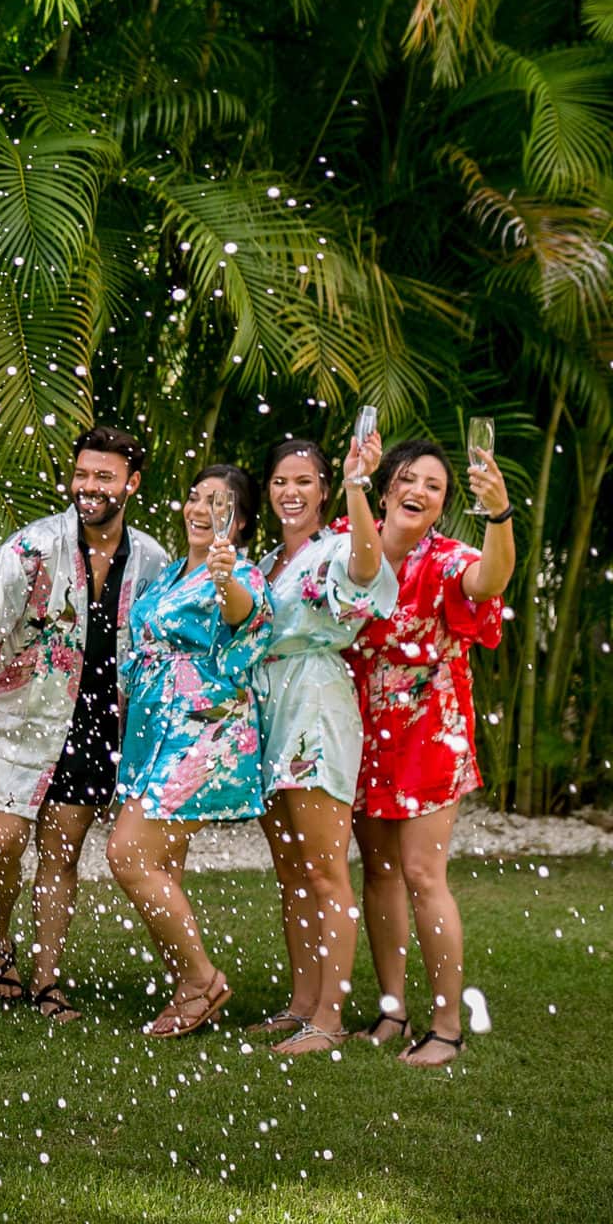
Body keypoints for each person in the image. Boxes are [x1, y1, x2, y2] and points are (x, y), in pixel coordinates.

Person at [0, 426, 168, 1025]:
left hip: (98, 724)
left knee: (61, 854)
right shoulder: (35, 545)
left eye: (103, 477)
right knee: (2, 844)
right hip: (20, 714)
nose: (89, 487)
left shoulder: (154, 559)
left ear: (131, 485)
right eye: (82, 474)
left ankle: (46, 977)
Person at [347, 438, 514, 1067]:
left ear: (443, 503)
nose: (418, 490)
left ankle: (447, 1024)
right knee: (380, 872)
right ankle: (393, 1010)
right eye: (408, 479)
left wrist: (498, 515)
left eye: (434, 485)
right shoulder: (350, 540)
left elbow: (489, 579)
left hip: (428, 730)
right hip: (359, 726)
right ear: (386, 487)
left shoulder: (448, 558)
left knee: (421, 873)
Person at [105, 465, 273, 1038]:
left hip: (202, 730)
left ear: (242, 520)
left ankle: (203, 979)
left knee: (128, 856)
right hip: (152, 732)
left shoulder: (238, 572)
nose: (201, 509)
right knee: (162, 865)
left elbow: (247, 623)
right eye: (196, 497)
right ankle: (187, 985)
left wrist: (226, 579)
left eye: (219, 503)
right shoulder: (170, 576)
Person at [250, 436, 395, 1055]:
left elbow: (367, 568)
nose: (291, 492)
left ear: (324, 491)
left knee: (325, 869)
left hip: (314, 701)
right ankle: (303, 1002)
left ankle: (330, 1017)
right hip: (268, 706)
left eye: (304, 481)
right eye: (282, 481)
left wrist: (362, 486)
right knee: (290, 874)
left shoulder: (338, 545)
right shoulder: (263, 562)